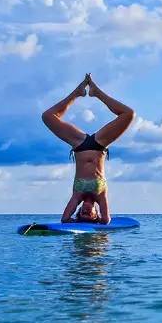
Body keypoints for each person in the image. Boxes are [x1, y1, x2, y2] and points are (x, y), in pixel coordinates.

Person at [41, 74, 135, 224]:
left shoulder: (77, 195)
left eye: (82, 214)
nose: (85, 212)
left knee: (47, 116)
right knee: (129, 114)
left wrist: (73, 222)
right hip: (100, 144)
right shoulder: (100, 195)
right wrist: (100, 223)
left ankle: (76, 93)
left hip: (79, 145)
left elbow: (64, 219)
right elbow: (106, 220)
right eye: (88, 215)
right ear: (95, 213)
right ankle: (97, 93)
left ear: (78, 212)